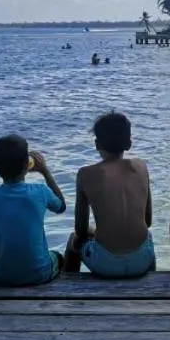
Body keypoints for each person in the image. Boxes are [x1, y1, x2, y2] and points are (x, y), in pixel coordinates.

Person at [0, 135, 66, 286]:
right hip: (40, 274)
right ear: (27, 164)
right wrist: (45, 171)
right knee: (58, 257)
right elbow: (61, 207)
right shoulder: (40, 191)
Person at [65, 111, 155, 278]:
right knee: (147, 237)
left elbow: (81, 230)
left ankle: (67, 288)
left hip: (106, 264)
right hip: (142, 261)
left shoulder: (85, 174)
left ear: (97, 144)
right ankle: (151, 285)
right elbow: (147, 221)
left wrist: (95, 232)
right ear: (129, 143)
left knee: (74, 240)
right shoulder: (141, 167)